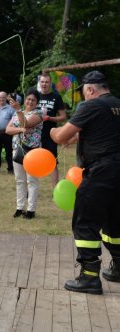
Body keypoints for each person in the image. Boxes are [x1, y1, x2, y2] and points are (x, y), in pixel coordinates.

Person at [50, 71, 120, 295]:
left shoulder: (92, 106)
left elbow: (61, 137)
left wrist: (49, 128)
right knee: (114, 221)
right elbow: (101, 133)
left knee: (84, 220)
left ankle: (89, 276)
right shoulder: (116, 105)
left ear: (90, 89)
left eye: (83, 92)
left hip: (102, 170)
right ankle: (119, 267)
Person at [6, 88, 43, 219]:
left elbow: (26, 123)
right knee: (19, 180)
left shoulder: (39, 113)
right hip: (17, 149)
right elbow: (8, 129)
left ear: (37, 102)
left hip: (32, 151)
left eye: (33, 100)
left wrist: (18, 111)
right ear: (25, 99)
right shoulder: (17, 113)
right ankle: (19, 207)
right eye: (28, 99)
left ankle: (31, 210)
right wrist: (21, 129)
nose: (30, 101)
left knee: (31, 181)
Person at [37, 72, 66, 187]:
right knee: (32, 160)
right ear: (40, 82)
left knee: (52, 162)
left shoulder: (56, 97)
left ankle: (55, 190)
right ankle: (31, 189)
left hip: (50, 134)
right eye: (42, 82)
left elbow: (63, 117)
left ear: (50, 83)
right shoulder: (35, 96)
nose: (44, 84)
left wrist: (50, 118)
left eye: (46, 82)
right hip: (35, 134)